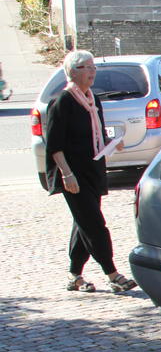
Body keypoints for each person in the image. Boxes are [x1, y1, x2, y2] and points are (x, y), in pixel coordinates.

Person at [45, 49, 137, 293]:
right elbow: (54, 146)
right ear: (73, 72)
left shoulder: (92, 99)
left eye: (93, 66)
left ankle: (74, 275)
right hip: (72, 174)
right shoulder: (62, 102)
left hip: (93, 169)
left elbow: (97, 133)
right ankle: (112, 273)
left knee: (83, 222)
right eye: (87, 67)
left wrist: (112, 142)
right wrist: (67, 174)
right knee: (95, 224)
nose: (93, 71)